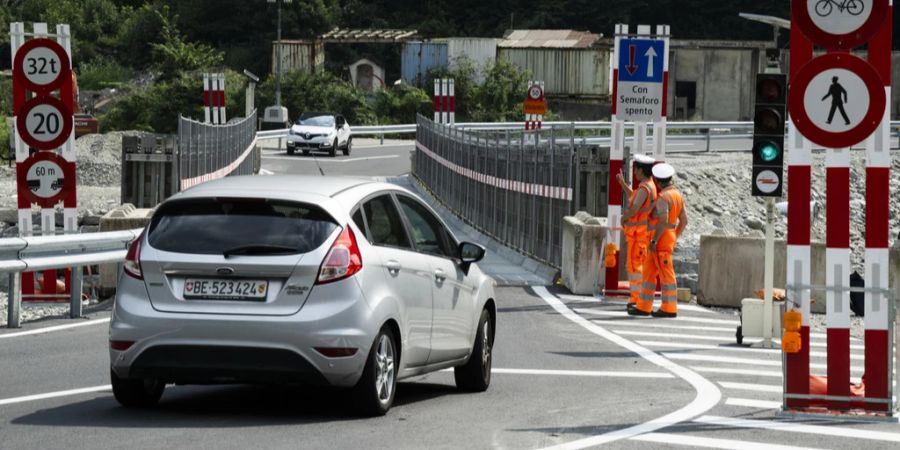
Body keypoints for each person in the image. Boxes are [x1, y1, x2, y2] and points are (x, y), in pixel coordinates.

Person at [630, 163, 687, 318]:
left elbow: (663, 220)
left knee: (666, 274)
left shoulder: (663, 197)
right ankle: (643, 306)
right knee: (648, 273)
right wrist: (674, 236)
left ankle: (669, 308)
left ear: (658, 180)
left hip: (659, 240)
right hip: (667, 237)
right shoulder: (677, 195)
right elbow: (684, 221)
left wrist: (654, 241)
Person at [616, 154, 657, 311]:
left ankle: (637, 300)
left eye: (635, 169)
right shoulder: (647, 186)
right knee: (636, 267)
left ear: (641, 170)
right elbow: (634, 197)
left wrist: (623, 218)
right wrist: (623, 184)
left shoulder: (644, 188)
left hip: (639, 236)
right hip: (640, 235)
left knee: (636, 268)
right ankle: (637, 299)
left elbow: (634, 208)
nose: (634, 172)